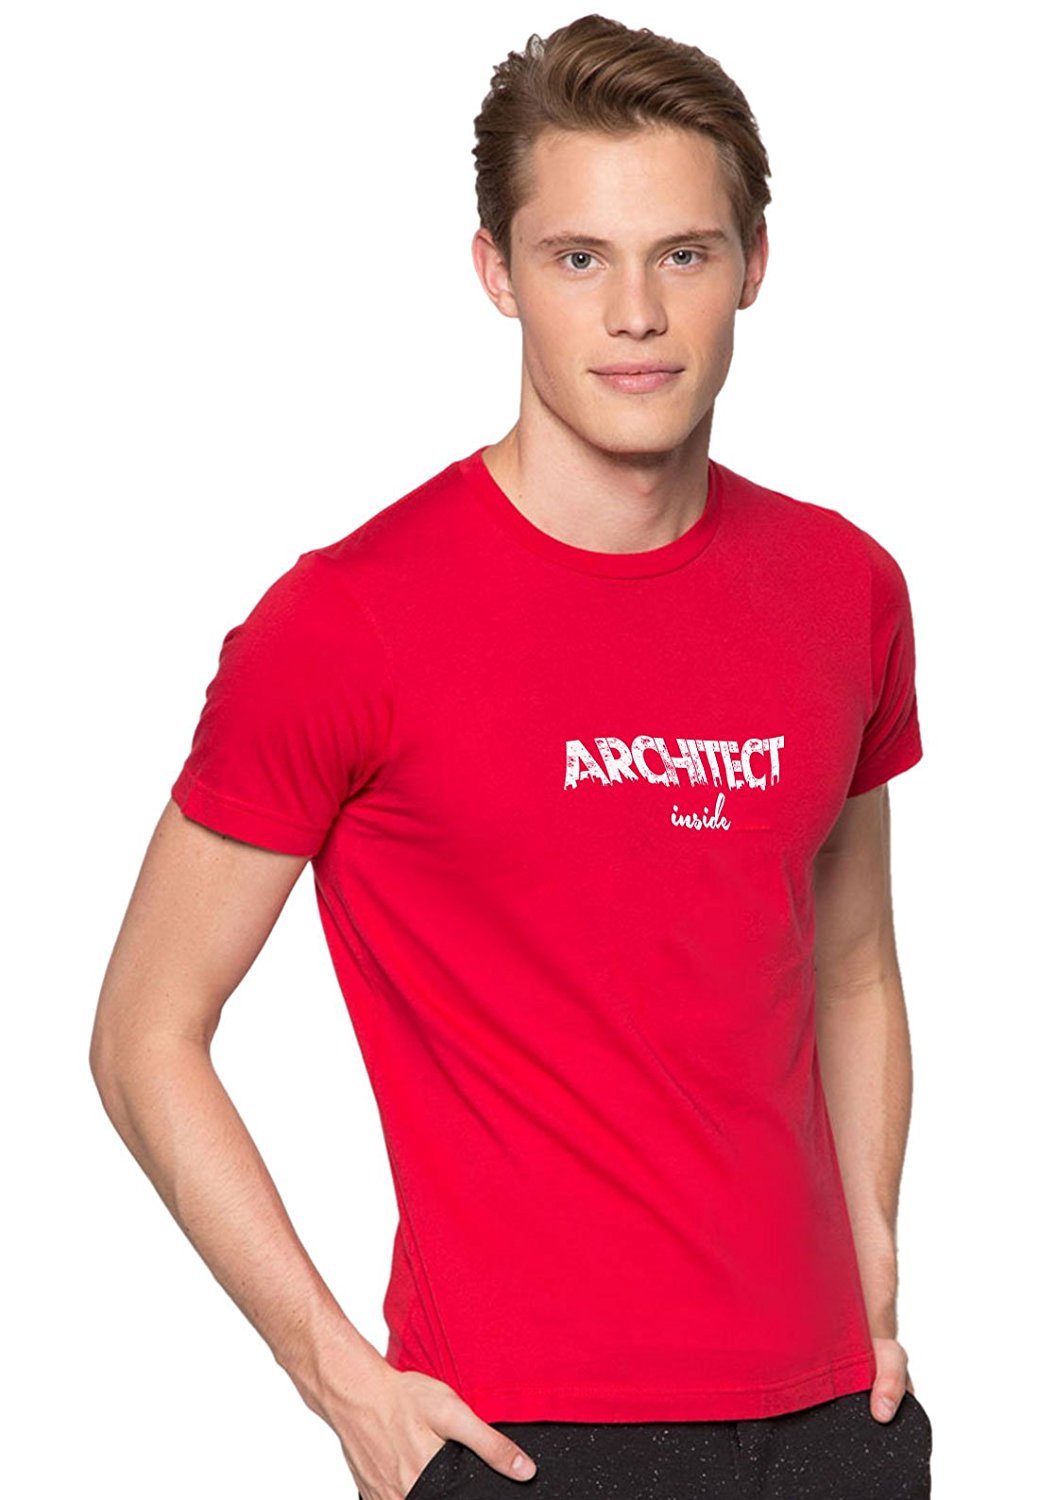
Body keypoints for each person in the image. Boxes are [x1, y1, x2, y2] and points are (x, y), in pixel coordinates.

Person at [90, 14, 933, 1499]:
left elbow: (854, 963)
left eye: (683, 254)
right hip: (520, 1439)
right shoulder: (347, 623)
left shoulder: (843, 590)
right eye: (578, 257)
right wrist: (341, 1382)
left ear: (754, 265)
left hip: (831, 1425)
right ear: (497, 272)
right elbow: (145, 1033)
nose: (636, 314)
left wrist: (872, 1257)